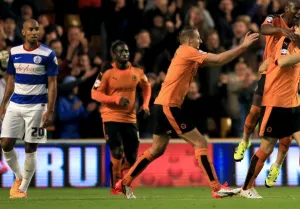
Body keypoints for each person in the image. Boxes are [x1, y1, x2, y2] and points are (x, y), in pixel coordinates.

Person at [115, 26, 259, 199]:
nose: (201, 41)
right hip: (169, 105)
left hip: (163, 104)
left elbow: (218, 61)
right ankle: (216, 187)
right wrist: (243, 46)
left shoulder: (187, 54)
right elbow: (219, 59)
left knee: (157, 149)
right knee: (200, 143)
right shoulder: (186, 51)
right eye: (198, 38)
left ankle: (124, 182)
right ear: (190, 41)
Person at [234, 0, 300, 187]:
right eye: (295, 9)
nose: (297, 12)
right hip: (275, 90)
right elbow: (281, 60)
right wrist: (282, 32)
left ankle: (277, 165)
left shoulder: (295, 38)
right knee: (256, 116)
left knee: (284, 138)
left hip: (291, 94)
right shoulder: (282, 33)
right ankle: (245, 143)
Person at [0, 19, 58, 199]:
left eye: (37, 29)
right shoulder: (14, 52)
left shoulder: (48, 54)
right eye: (31, 29)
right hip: (15, 104)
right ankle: (19, 177)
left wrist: (50, 109)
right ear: (23, 32)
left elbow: (52, 83)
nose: (34, 32)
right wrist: (3, 104)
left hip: (38, 107)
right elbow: (10, 80)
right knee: (5, 144)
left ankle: (22, 189)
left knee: (30, 147)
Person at [91, 40, 151, 194]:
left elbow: (146, 87)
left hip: (130, 119)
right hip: (110, 117)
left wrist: (145, 105)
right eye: (121, 52)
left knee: (132, 159)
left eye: (126, 51)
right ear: (114, 55)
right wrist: (115, 100)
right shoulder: (106, 72)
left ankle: (118, 174)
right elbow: (95, 93)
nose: (124, 54)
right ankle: (116, 184)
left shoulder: (137, 71)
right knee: (117, 151)